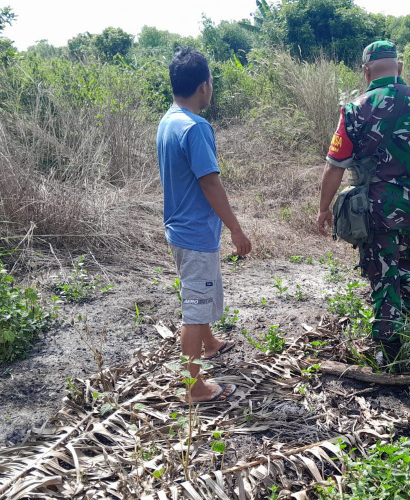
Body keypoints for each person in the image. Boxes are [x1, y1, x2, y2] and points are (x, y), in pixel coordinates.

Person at [317, 40, 410, 363]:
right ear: (399, 67)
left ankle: (390, 350)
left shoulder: (355, 109)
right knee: (409, 264)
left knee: (383, 273)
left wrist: (324, 207)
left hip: (377, 207)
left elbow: (334, 165)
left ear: (367, 71)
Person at [157, 48, 252, 402]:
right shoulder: (196, 128)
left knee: (199, 294)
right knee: (194, 311)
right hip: (195, 233)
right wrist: (236, 229)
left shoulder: (168, 120)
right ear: (203, 87)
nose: (211, 86)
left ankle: (210, 344)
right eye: (210, 80)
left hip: (180, 229)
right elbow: (210, 183)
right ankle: (194, 387)